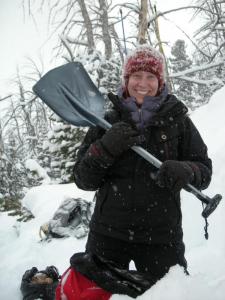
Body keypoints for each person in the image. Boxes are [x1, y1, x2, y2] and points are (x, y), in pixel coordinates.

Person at [73, 45, 212, 284]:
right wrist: (105, 147)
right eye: (136, 76)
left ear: (160, 81)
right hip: (108, 234)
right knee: (94, 293)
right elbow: (82, 179)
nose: (143, 83)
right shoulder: (106, 120)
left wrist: (186, 170)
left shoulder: (177, 120)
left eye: (151, 77)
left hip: (161, 237)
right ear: (126, 79)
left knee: (171, 295)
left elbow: (204, 171)